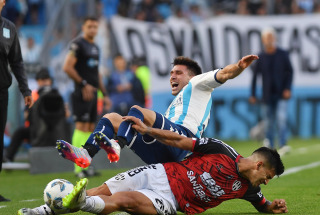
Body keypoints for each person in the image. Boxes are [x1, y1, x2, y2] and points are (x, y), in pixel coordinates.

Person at [17, 115, 287, 215]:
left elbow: (264, 204)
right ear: (259, 164)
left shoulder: (247, 189)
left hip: (170, 199)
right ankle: (46, 210)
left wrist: (272, 206)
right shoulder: (220, 149)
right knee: (102, 189)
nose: (266, 183)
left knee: (125, 201)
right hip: (160, 172)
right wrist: (149, 130)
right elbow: (181, 140)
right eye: (268, 177)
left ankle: (78, 203)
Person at [57, 54, 259, 168]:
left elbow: (224, 73)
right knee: (111, 118)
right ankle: (86, 153)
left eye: (178, 73)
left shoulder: (198, 83)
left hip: (184, 142)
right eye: (171, 73)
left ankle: (118, 144)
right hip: (163, 149)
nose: (173, 76)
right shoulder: (176, 104)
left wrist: (240, 66)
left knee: (139, 111)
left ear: (191, 77)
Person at [62, 16, 111, 178]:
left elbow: (96, 73)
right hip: (81, 92)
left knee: (90, 128)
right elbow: (67, 67)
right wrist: (83, 84)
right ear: (83, 27)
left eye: (95, 27)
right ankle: (78, 169)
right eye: (89, 26)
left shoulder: (95, 47)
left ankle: (86, 164)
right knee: (81, 127)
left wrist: (104, 93)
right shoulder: (77, 45)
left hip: (94, 93)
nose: (93, 30)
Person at [0, 0, 33, 202]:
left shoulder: (9, 28)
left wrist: (25, 89)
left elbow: (17, 62)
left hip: (1, 92)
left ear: (3, 2)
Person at [249, 27, 293, 156]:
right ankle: (269, 143)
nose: (269, 40)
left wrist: (287, 88)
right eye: (266, 38)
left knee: (281, 119)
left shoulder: (282, 54)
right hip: (266, 94)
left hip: (281, 94)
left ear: (274, 38)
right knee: (268, 121)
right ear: (263, 40)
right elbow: (255, 76)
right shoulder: (261, 56)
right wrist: (252, 94)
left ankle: (283, 143)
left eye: (270, 37)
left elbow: (290, 72)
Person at [3, 68, 53, 162]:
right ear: (38, 81)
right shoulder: (33, 95)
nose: (44, 83)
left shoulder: (55, 95)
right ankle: (8, 158)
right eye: (42, 80)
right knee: (20, 132)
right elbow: (27, 116)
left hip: (52, 131)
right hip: (36, 130)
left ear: (50, 81)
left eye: (46, 80)